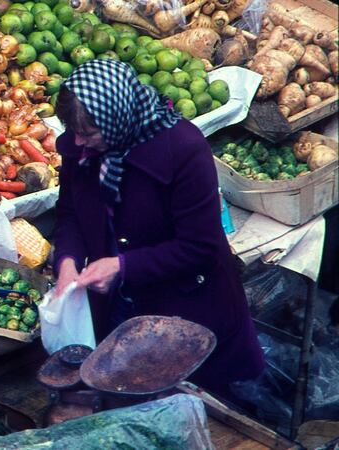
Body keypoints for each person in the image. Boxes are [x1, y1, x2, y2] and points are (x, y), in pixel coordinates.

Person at [52, 59, 265, 402]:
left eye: (88, 133)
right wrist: (66, 262)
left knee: (188, 407)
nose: (78, 141)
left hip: (184, 312)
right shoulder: (82, 147)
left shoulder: (183, 148)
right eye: (73, 131)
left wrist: (122, 266)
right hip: (119, 307)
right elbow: (70, 214)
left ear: (117, 117)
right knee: (122, 398)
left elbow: (200, 246)